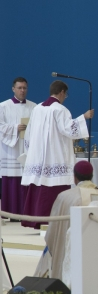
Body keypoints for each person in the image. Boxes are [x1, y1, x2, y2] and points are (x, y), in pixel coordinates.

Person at [21, 80, 94, 229]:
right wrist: (84, 117)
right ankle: (49, 222)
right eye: (65, 95)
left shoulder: (37, 108)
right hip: (54, 157)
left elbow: (29, 133)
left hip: (39, 158)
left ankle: (34, 220)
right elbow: (69, 130)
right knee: (52, 189)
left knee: (39, 186)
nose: (64, 97)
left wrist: (31, 152)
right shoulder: (60, 109)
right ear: (61, 92)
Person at [39, 161, 98, 281]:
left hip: (71, 251)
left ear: (74, 177)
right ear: (92, 176)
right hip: (97, 251)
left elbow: (52, 234)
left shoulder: (65, 196)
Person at [0, 77, 36, 216]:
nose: (22, 91)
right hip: (11, 150)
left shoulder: (34, 107)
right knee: (12, 180)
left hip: (27, 148)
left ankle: (26, 212)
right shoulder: (3, 106)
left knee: (26, 178)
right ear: (13, 89)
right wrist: (15, 128)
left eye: (24, 88)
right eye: (19, 88)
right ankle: (10, 212)